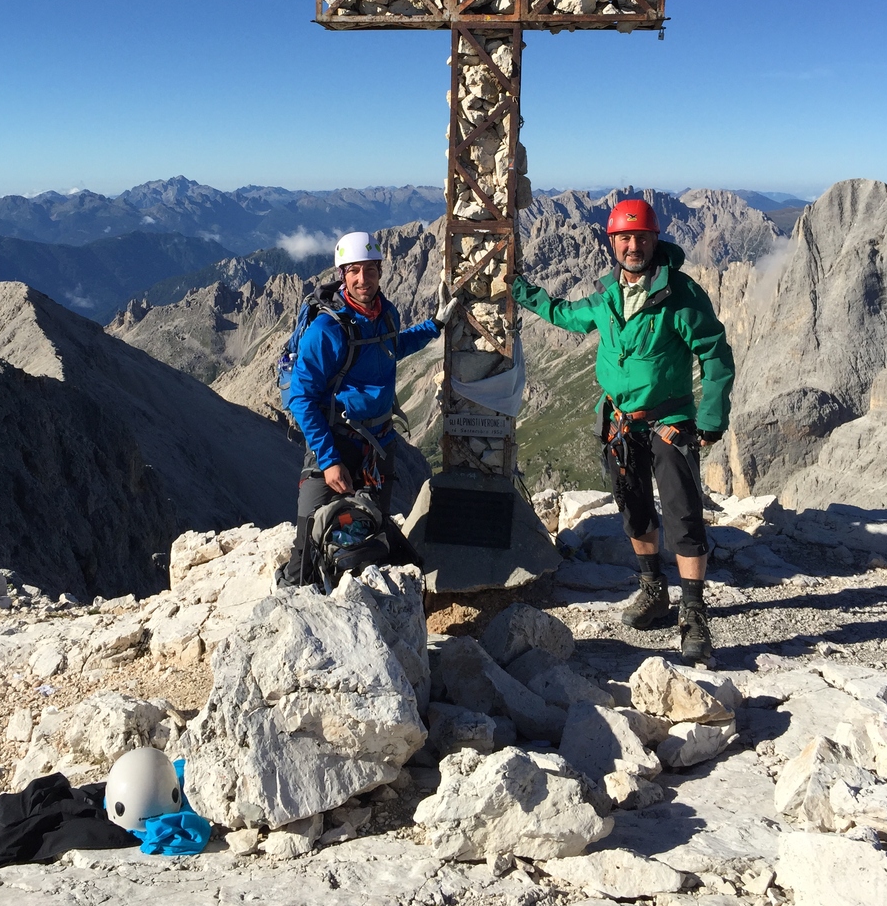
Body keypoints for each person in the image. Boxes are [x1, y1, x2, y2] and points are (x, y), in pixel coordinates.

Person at [511, 198, 735, 665]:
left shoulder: (681, 295)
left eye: (641, 237)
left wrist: (711, 419)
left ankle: (694, 612)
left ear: (656, 240)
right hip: (619, 421)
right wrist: (520, 290)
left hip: (670, 421)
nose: (633, 246)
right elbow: (565, 314)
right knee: (632, 505)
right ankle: (654, 591)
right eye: (624, 238)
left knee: (682, 512)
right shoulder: (607, 295)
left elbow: (715, 355)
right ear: (612, 242)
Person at [281, 231, 457, 586]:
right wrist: (329, 460)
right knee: (307, 546)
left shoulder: (386, 314)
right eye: (354, 271)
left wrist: (435, 326)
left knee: (370, 528)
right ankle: (293, 591)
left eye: (371, 270)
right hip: (336, 442)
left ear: (380, 272)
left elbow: (393, 345)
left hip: (379, 445)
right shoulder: (326, 330)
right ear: (342, 275)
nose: (363, 279)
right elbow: (301, 397)